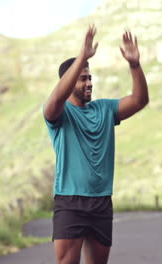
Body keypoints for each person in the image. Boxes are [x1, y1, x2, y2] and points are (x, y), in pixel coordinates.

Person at [43, 25, 149, 264]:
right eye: (82, 79)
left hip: (101, 201)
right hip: (70, 201)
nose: (89, 83)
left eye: (90, 77)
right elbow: (56, 99)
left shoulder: (104, 109)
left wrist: (134, 65)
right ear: (69, 82)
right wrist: (82, 56)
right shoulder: (59, 112)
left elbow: (140, 100)